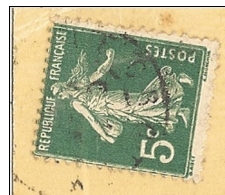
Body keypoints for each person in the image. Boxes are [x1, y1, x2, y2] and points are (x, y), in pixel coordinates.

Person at [50, 49, 192, 144]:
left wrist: (110, 58)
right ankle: (179, 112)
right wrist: (106, 135)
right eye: (58, 96)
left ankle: (176, 80)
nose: (60, 97)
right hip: (113, 109)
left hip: (112, 100)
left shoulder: (79, 87)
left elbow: (100, 73)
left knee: (145, 102)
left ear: (63, 88)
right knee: (142, 113)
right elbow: (92, 119)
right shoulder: (75, 102)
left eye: (59, 93)